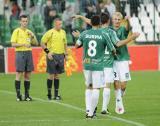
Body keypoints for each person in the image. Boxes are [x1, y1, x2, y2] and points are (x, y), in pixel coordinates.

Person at [75, 15, 116, 118]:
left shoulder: (84, 33)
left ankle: (88, 109)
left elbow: (76, 45)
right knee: (96, 89)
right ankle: (91, 113)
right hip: (98, 65)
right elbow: (113, 49)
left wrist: (83, 42)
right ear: (100, 23)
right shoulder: (104, 34)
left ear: (91, 23)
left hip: (87, 64)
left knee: (88, 87)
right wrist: (114, 53)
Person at [11, 14, 38, 101]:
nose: (25, 23)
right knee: (19, 74)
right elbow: (13, 44)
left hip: (28, 53)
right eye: (23, 21)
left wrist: (33, 36)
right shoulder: (16, 31)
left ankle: (27, 95)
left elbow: (36, 43)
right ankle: (18, 95)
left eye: (26, 21)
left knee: (28, 74)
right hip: (20, 53)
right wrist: (23, 44)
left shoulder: (29, 32)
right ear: (20, 22)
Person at [41, 18, 68, 100]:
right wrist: (48, 52)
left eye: (61, 24)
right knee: (51, 75)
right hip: (52, 56)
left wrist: (66, 54)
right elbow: (42, 42)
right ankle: (49, 94)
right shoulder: (50, 32)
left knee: (57, 76)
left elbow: (65, 44)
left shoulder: (63, 32)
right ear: (55, 24)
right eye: (59, 24)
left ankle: (56, 94)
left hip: (60, 56)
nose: (60, 25)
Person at [111, 12, 132, 114]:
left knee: (123, 84)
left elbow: (128, 28)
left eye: (119, 19)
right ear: (112, 20)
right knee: (116, 81)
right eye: (115, 19)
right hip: (113, 60)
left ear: (121, 21)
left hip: (123, 59)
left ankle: (120, 96)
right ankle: (118, 102)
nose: (117, 21)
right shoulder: (109, 30)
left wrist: (128, 20)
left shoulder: (123, 29)